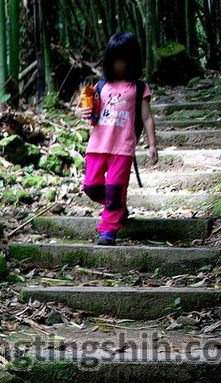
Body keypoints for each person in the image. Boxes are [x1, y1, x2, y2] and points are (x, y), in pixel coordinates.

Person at [76, 32, 159, 246]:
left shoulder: (139, 87)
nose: (116, 64)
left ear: (131, 60)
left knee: (114, 189)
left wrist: (152, 145)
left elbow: (147, 117)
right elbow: (83, 110)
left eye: (121, 59)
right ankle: (118, 206)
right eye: (113, 59)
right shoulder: (100, 86)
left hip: (122, 148)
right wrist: (81, 113)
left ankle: (108, 230)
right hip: (97, 144)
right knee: (91, 186)